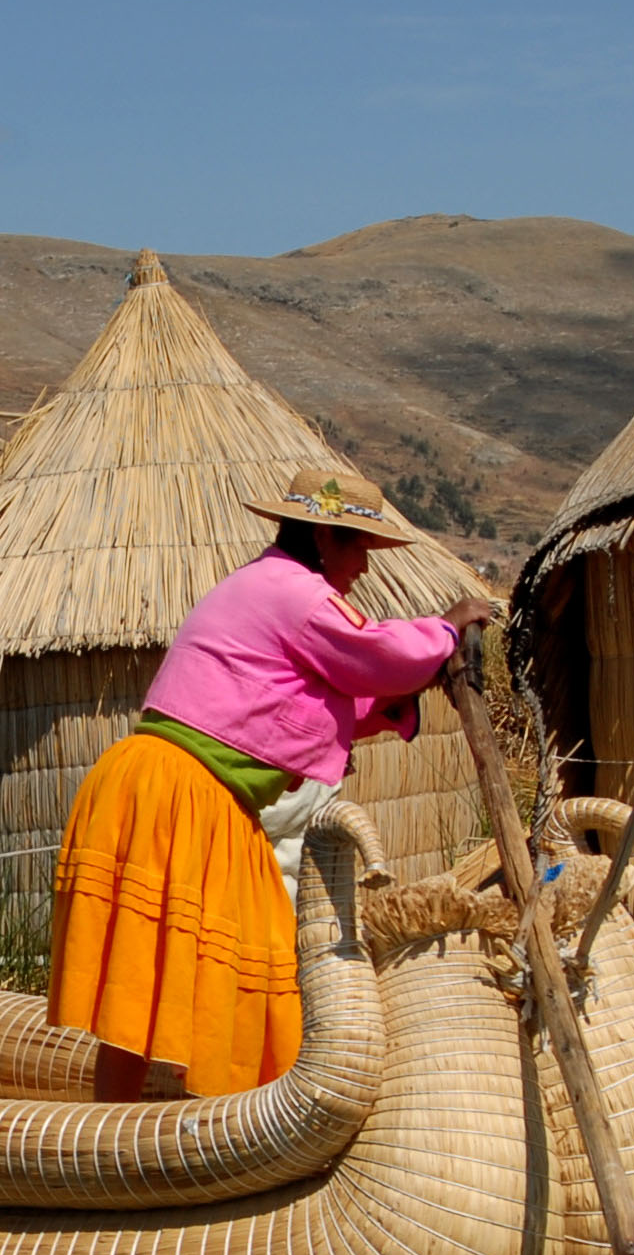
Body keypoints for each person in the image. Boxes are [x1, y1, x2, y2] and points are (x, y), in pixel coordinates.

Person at [47, 470, 493, 1100]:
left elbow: (309, 706)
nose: (364, 567)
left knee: (163, 970)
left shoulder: (266, 589)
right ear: (324, 537)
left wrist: (404, 695)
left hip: (182, 791)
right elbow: (378, 655)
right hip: (179, 793)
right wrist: (446, 628)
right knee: (189, 972)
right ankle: (177, 1128)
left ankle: (143, 1123)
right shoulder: (296, 594)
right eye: (359, 547)